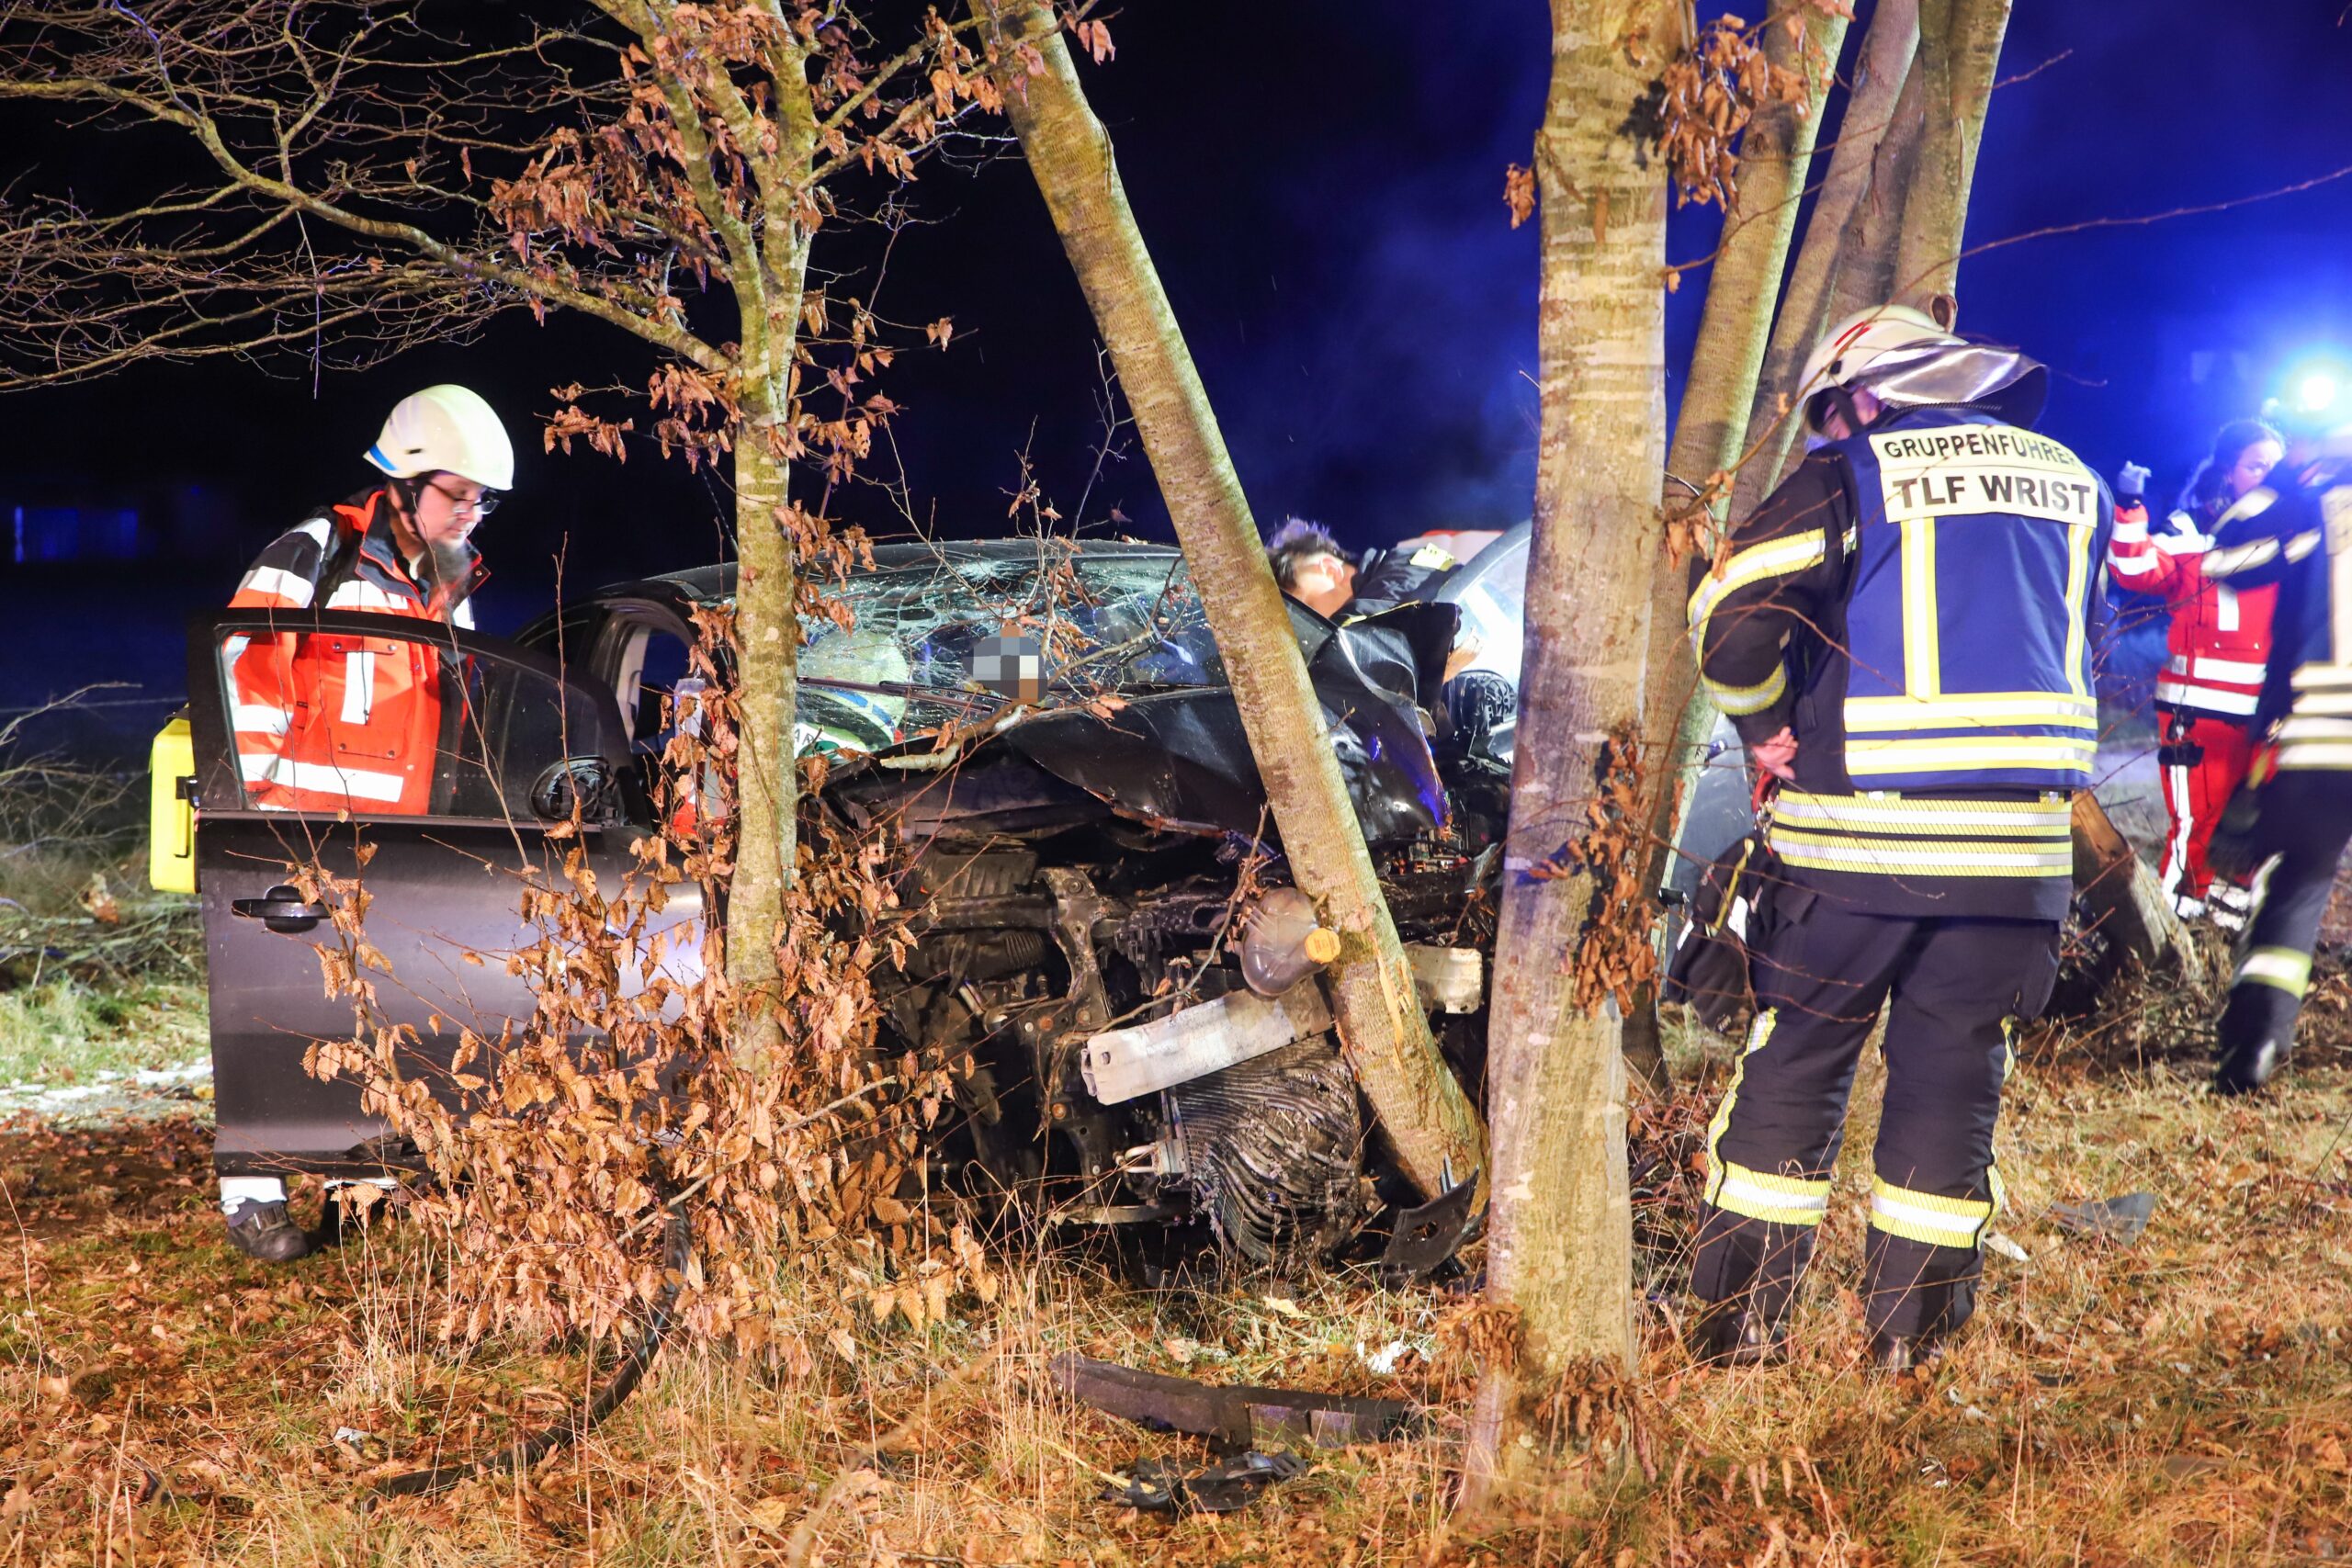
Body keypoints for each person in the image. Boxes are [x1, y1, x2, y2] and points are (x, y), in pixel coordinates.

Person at [1683, 304, 2110, 1371]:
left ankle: (1734, 1334)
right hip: (2017, 865)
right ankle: (1906, 1351)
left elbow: (1729, 622)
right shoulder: (2074, 481)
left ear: (1870, 392)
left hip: (1856, 853)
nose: (1836, 429)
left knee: (1795, 1070)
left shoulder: (1853, 475)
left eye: (1836, 411)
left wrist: (1765, 725)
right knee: (1952, 1085)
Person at [219, 383, 515, 1262]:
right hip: (298, 835)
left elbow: (458, 719)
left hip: (397, 846)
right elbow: (242, 679)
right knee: (275, 1008)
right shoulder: (313, 556)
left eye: (482, 500)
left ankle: (367, 1177)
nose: (471, 512)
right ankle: (255, 1189)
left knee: (380, 1008)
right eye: (456, 493)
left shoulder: (448, 586)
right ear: (405, 480)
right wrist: (262, 823)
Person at [2192, 409, 2352, 1095]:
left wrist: (2292, 472)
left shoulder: (2312, 503)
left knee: (2296, 887)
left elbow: (2227, 558)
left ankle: (2251, 1049)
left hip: (2322, 734)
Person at [2108, 420, 2286, 922]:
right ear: (2229, 473)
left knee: (2253, 827)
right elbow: (2135, 568)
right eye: (2256, 465)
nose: (2267, 475)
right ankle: (2171, 942)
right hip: (2199, 707)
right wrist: (2130, 505)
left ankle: (2225, 938)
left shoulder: (2294, 537)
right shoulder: (2191, 531)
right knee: (2198, 824)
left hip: (2267, 714)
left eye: (2276, 466)